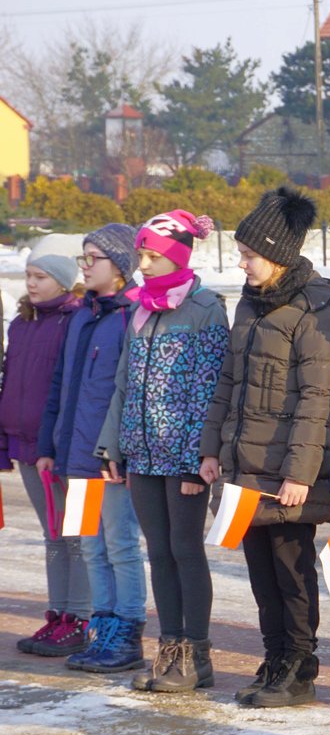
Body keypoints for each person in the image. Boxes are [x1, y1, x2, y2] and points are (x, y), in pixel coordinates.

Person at [200, 187, 330, 708]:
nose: (241, 263)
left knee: (292, 570)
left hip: (286, 471)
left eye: (248, 254)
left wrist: (300, 474)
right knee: (261, 571)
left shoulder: (315, 307)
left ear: (279, 256)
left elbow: (316, 397)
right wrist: (212, 447)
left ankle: (300, 666)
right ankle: (274, 656)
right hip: (244, 467)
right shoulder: (250, 303)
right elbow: (228, 381)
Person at [97, 211, 229, 692]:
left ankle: (196, 654)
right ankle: (170, 650)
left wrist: (201, 456)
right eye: (141, 255)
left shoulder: (205, 308)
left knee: (184, 550)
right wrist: (114, 445)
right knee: (158, 552)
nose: (143, 265)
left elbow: (211, 387)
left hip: (184, 458)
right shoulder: (140, 308)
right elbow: (123, 385)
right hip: (142, 452)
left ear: (175, 254)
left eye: (152, 255)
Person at [38, 224, 148, 673]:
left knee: (120, 546)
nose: (84, 267)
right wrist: (50, 445)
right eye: (82, 259)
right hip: (76, 460)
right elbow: (61, 386)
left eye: (92, 259)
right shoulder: (82, 316)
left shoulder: (132, 315)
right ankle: (101, 631)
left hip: (110, 464)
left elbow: (131, 393)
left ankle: (128, 631)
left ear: (120, 267)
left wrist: (118, 451)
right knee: (90, 547)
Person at [3, 252, 85, 656]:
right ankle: (58, 613)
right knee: (52, 535)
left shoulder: (74, 321)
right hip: (24, 444)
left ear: (64, 281)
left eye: (40, 277)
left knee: (75, 535)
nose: (31, 284)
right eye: (28, 276)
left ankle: (80, 617)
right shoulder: (21, 324)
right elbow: (9, 381)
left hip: (57, 448)